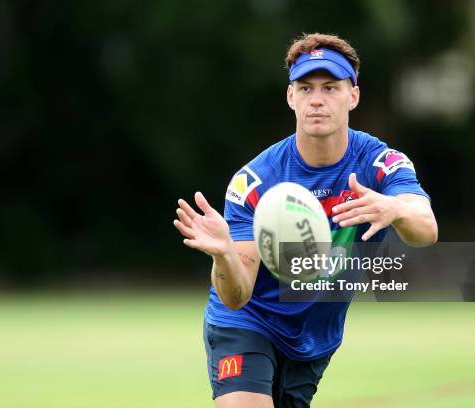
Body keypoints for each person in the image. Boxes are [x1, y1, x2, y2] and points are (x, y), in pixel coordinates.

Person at [173, 33, 438, 408]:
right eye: (306, 87)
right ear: (290, 97)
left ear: (353, 96)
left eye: (330, 87)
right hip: (249, 323)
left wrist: (395, 209)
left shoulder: (381, 162)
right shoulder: (254, 182)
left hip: (314, 337)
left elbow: (427, 229)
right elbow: (236, 297)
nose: (317, 100)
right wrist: (224, 256)